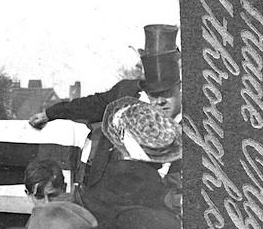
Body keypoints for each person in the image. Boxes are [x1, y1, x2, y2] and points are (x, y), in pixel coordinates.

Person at [28, 24, 181, 200]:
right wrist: (50, 113)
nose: (160, 102)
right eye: (154, 94)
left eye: (167, 94)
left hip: (149, 202)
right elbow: (91, 105)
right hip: (103, 191)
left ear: (180, 89)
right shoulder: (126, 92)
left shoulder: (192, 125)